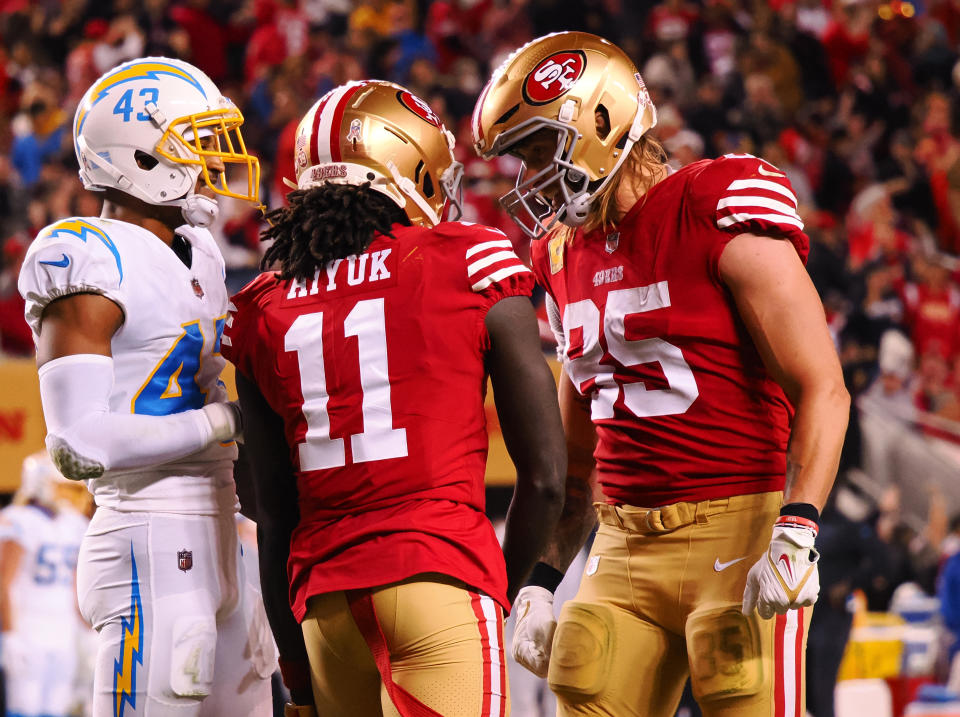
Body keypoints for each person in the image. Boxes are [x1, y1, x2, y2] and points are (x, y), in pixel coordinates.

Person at [472, 31, 850, 716]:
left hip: (740, 531)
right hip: (621, 545)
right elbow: (578, 451)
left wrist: (799, 525)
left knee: (742, 685)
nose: (529, 177)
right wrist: (544, 577)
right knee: (582, 681)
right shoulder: (559, 254)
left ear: (600, 121)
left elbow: (822, 383)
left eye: (537, 151)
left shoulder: (713, 203)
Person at [222, 79, 566, 717]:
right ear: (408, 169)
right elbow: (547, 477)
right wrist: (496, 592)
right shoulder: (467, 258)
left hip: (324, 608)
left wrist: (296, 675)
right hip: (440, 573)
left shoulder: (262, 305)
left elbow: (274, 516)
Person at [17, 57, 274, 715]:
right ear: (140, 154)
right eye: (195, 139)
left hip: (223, 526)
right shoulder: (84, 253)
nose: (215, 157)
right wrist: (219, 425)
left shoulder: (206, 253)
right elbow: (77, 445)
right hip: (147, 533)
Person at [0, 452, 90, 717]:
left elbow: (78, 588)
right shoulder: (19, 520)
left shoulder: (74, 525)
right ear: (43, 483)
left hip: (62, 628)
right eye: (65, 486)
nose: (74, 494)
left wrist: (88, 631)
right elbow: (4, 583)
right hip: (28, 626)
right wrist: (9, 634)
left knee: (57, 707)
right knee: (24, 708)